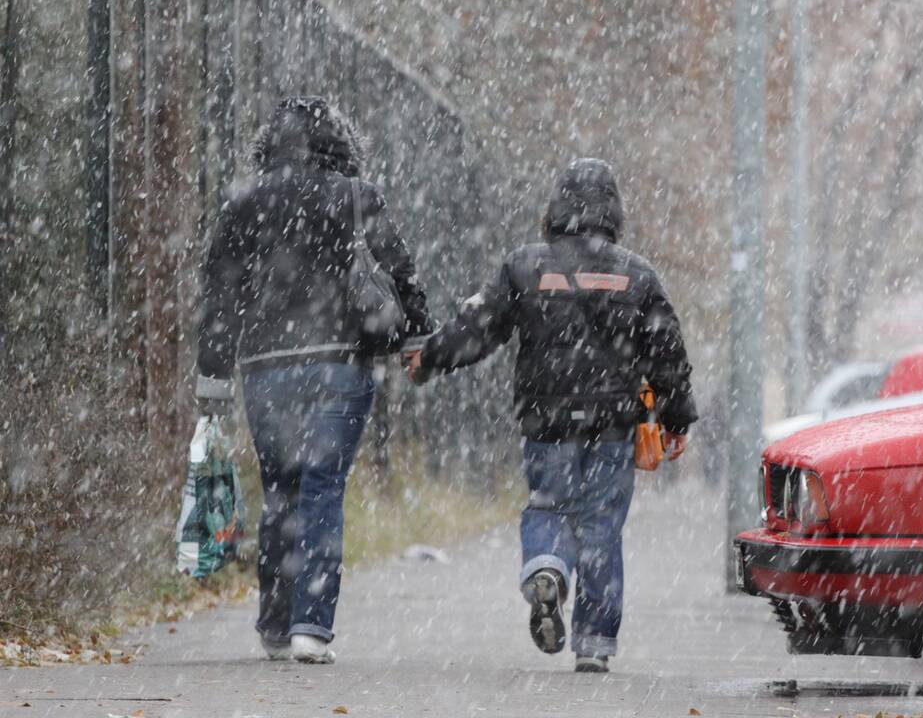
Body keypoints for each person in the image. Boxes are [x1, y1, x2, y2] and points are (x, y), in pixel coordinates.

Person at [406, 158, 697, 673]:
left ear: (557, 206)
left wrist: (430, 355)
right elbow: (667, 352)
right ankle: (594, 644)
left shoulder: (526, 266)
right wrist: (677, 418)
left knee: (548, 507)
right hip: (613, 424)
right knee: (602, 525)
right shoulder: (637, 274)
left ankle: (547, 569)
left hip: (546, 420)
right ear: (614, 212)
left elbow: (480, 326)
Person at [195, 96, 433, 664]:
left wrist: (213, 373)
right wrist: (419, 338)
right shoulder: (355, 197)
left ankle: (275, 625)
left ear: (268, 144)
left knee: (281, 490)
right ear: (340, 144)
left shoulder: (244, 202)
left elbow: (220, 292)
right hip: (340, 363)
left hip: (265, 368)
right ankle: (311, 626)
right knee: (324, 487)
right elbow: (399, 272)